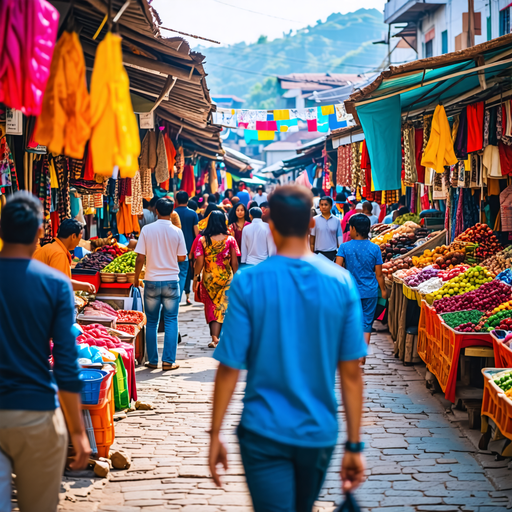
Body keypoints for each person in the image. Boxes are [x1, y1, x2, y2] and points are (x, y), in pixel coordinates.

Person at [208, 185, 366, 511]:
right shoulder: (340, 282)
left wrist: (215, 434)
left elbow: (229, 368)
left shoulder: (249, 283)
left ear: (271, 225)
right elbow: (351, 374)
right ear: (311, 224)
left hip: (262, 429)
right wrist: (353, 445)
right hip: (318, 432)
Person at [0, 192, 90, 512]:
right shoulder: (55, 284)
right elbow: (66, 363)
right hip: (35, 414)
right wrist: (78, 432)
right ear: (40, 230)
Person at [134, 198, 187, 371]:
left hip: (151, 280)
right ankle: (168, 361)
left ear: (156, 210)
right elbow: (181, 258)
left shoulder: (147, 229)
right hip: (171, 280)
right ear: (172, 211)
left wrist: (136, 277)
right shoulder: (177, 232)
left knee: (151, 321)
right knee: (171, 320)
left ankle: (153, 360)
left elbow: (140, 257)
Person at [336, 214, 387, 346]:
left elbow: (337, 269)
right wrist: (383, 290)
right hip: (370, 291)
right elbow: (379, 274)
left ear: (353, 228)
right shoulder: (375, 248)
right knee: (367, 322)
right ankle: (362, 355)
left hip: (350, 291)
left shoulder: (344, 247)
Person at [193, 211, 239, 348]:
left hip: (209, 279)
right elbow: (234, 262)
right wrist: (237, 277)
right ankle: (224, 338)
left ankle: (214, 338)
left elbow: (199, 262)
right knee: (225, 307)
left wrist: (196, 278)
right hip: (226, 278)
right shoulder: (230, 239)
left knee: (211, 306)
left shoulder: (202, 240)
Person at [34, 218, 95, 293]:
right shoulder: (59, 253)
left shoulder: (51, 247)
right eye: (79, 239)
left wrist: (85, 286)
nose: (78, 243)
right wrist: (85, 286)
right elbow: (60, 284)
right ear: (73, 236)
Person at [174, 191, 200, 305]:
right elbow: (196, 233)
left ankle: (175, 296)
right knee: (185, 273)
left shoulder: (172, 213)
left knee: (175, 272)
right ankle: (183, 296)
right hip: (188, 248)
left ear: (176, 200)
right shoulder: (193, 214)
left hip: (173, 248)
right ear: (187, 201)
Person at [310, 196, 343, 261]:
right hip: (318, 253)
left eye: (326, 204)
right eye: (321, 205)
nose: (323, 207)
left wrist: (340, 255)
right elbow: (312, 241)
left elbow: (339, 239)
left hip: (332, 253)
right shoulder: (314, 220)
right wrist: (311, 256)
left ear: (330, 206)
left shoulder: (337, 220)